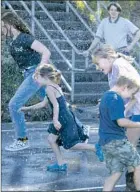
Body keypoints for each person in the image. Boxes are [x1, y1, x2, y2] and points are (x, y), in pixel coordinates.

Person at [91, 44, 140, 191]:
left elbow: (133, 88)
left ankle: (133, 184)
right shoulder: (114, 67)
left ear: (106, 58)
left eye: (98, 63)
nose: (97, 67)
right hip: (134, 110)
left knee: (129, 149)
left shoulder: (119, 66)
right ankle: (133, 183)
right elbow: (117, 92)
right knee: (127, 150)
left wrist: (124, 108)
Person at [20, 64, 104, 172]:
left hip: (62, 117)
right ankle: (61, 164)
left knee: (70, 145)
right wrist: (26, 108)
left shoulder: (49, 89)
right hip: (64, 115)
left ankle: (95, 148)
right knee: (51, 139)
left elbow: (56, 105)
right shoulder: (54, 86)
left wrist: (55, 120)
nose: (36, 81)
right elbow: (43, 104)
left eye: (38, 78)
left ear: (45, 77)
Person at [2, 10, 51, 151]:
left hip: (35, 73)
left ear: (9, 25)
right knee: (54, 102)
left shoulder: (24, 38)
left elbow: (46, 51)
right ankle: (79, 127)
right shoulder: (12, 40)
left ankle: (22, 139)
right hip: (29, 74)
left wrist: (39, 69)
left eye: (2, 25)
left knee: (14, 104)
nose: (1, 29)